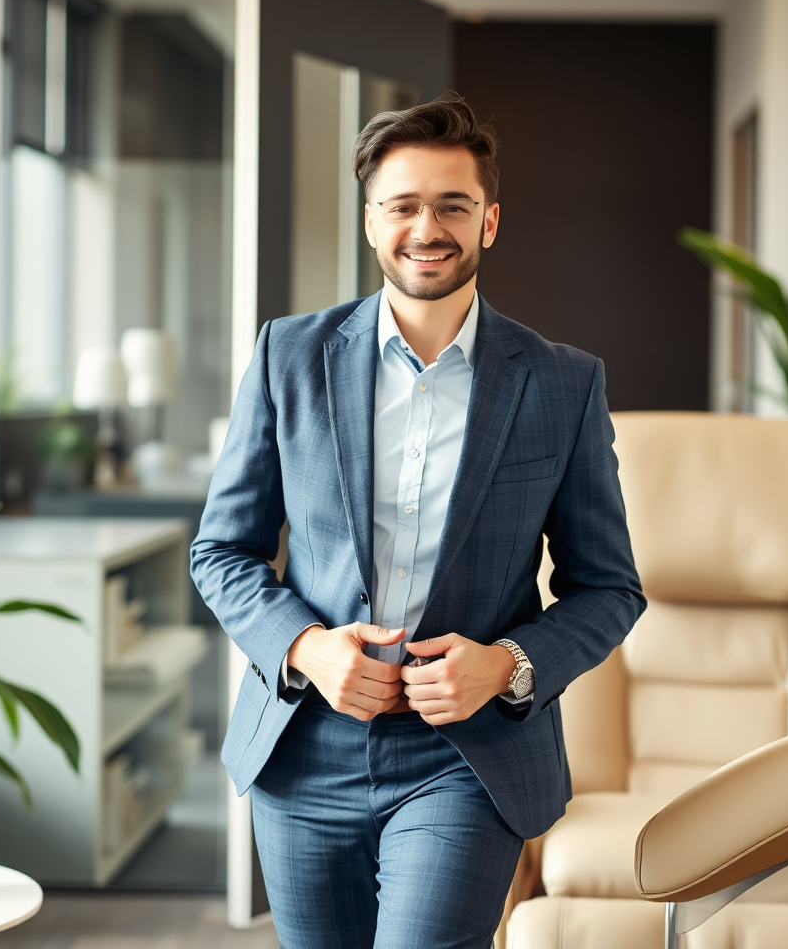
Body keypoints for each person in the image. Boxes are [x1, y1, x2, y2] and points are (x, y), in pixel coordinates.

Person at [191, 96, 646, 949]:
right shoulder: (288, 355)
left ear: (491, 221)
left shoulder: (561, 383)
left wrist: (507, 665)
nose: (426, 227)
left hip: (466, 758)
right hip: (304, 745)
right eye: (402, 205)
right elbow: (222, 550)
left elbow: (610, 588)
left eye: (453, 205)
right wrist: (304, 645)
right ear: (371, 221)